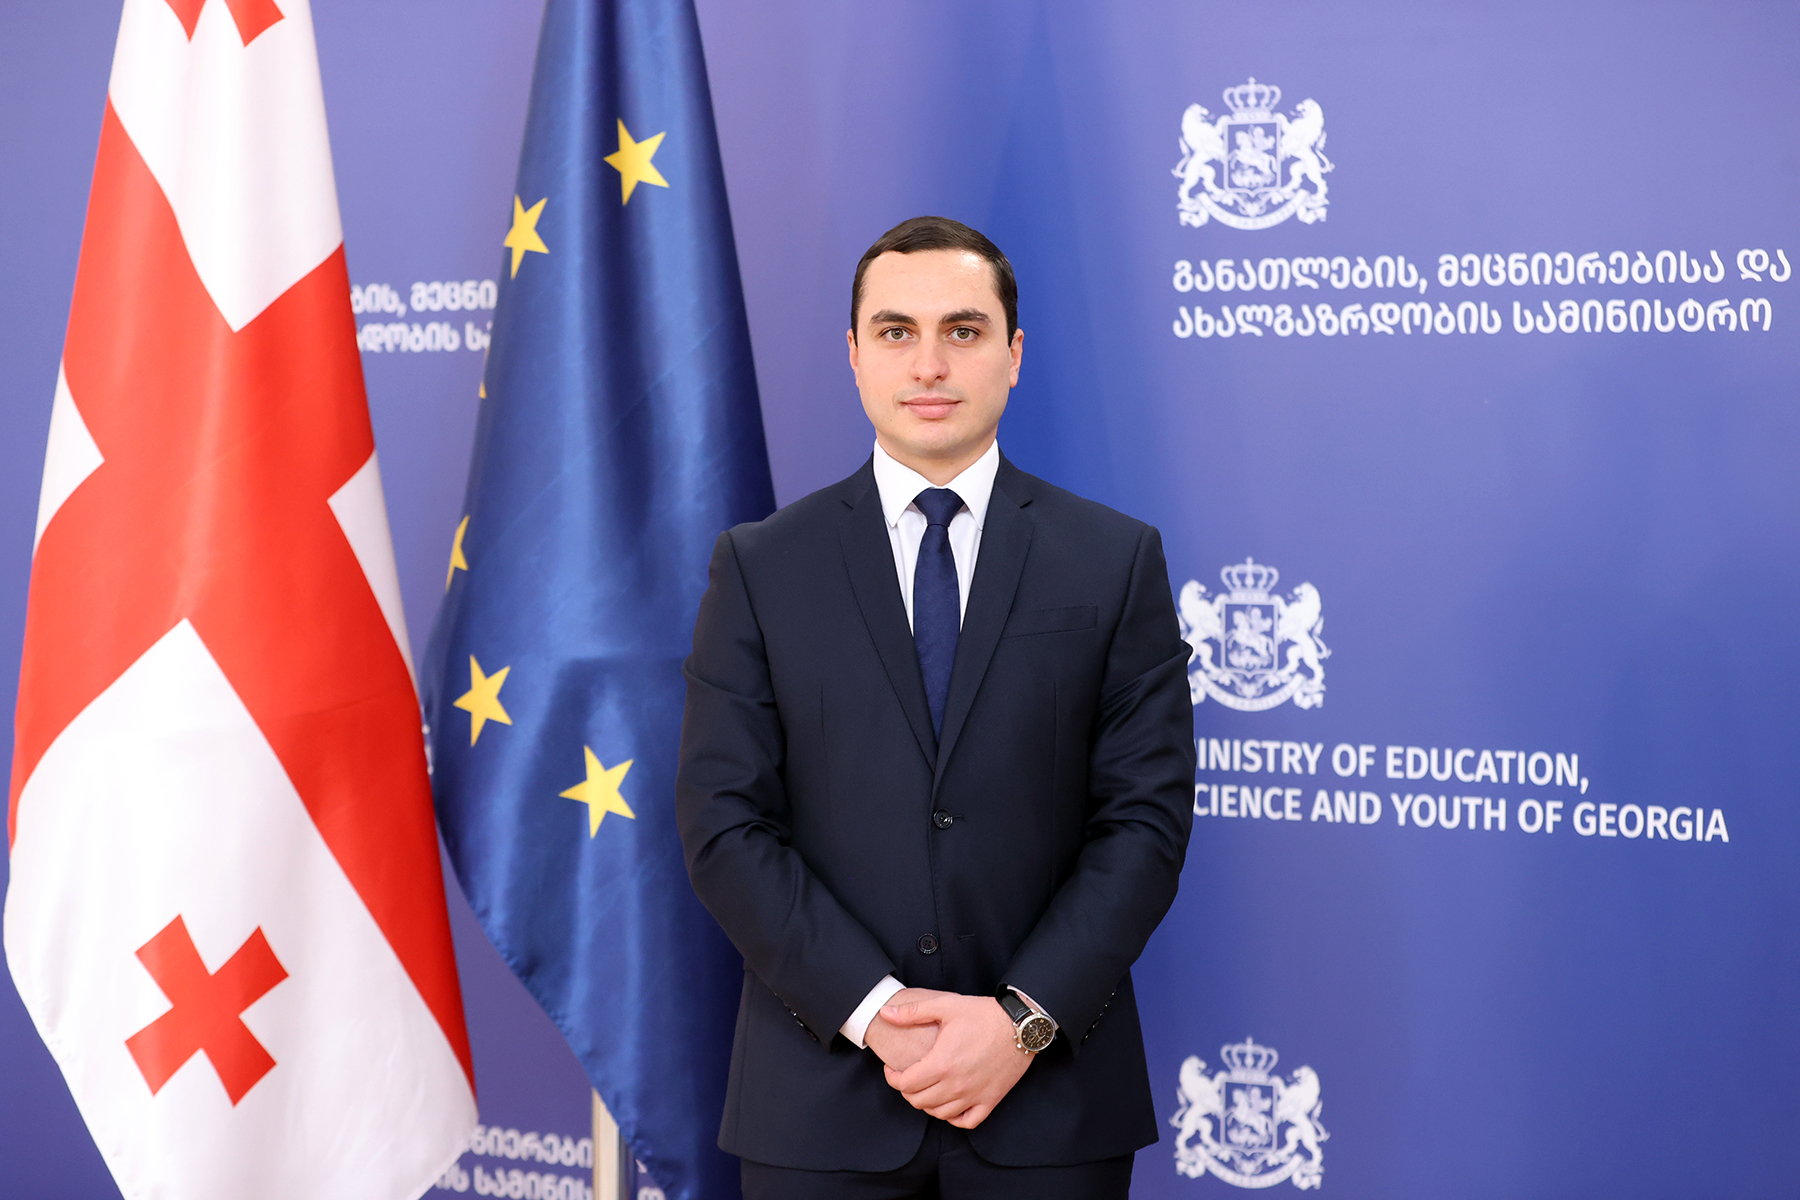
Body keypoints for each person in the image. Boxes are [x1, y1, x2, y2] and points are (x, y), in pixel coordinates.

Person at [677, 216, 1195, 1199]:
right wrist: (876, 1013)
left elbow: (1145, 824)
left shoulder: (1115, 560)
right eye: (895, 331)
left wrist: (1021, 1022)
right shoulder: (761, 566)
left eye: (963, 330)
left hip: (1050, 1108)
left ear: (1014, 354)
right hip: (821, 1103)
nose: (929, 364)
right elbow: (724, 824)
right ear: (854, 354)